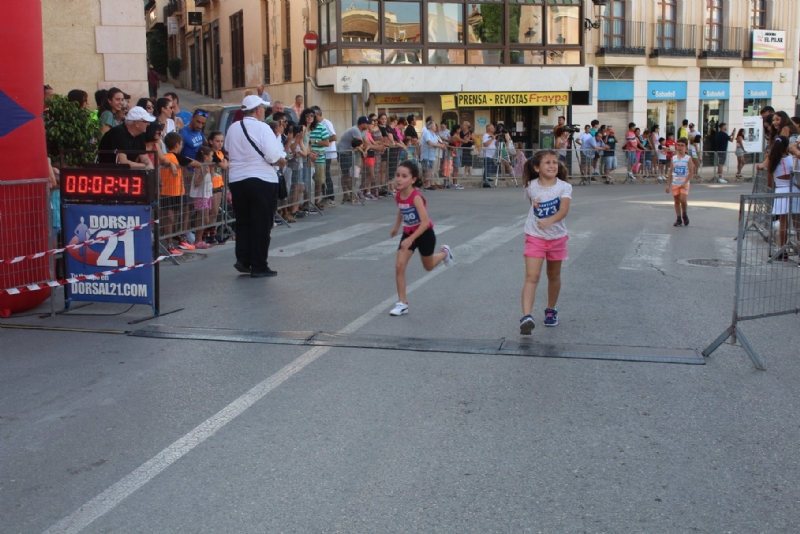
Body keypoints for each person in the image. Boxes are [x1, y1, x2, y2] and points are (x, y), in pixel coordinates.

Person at [225, 95, 285, 277]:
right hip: (261, 179)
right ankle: (259, 265)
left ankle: (243, 259)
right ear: (258, 110)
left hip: (237, 179)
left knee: (243, 222)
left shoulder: (233, 128)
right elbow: (272, 156)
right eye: (264, 109)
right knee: (261, 223)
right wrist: (282, 161)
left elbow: (228, 149)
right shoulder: (263, 128)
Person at [388, 161, 454, 316]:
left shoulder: (417, 197)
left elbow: (425, 223)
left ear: (413, 179)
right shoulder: (398, 195)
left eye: (404, 176)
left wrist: (411, 239)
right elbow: (401, 210)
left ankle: (445, 254)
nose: (399, 179)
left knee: (428, 266)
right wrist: (396, 227)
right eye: (398, 175)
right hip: (408, 233)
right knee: (399, 266)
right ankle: (402, 303)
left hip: (424, 234)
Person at [519, 149, 572, 335]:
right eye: (547, 163)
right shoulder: (530, 187)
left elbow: (564, 210)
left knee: (553, 275)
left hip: (557, 238)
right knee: (532, 277)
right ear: (537, 167)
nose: (552, 165)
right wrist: (539, 223)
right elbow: (532, 208)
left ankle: (551, 310)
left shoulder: (564, 187)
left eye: (554, 162)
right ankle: (526, 316)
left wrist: (549, 221)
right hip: (534, 237)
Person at [160, 131, 202, 253]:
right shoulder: (177, 157)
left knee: (171, 218)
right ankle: (171, 244)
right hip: (174, 192)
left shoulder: (165, 157)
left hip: (169, 191)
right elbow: (198, 164)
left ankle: (175, 241)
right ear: (178, 144)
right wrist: (186, 159)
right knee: (172, 219)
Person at [765, 136, 799, 261]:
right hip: (794, 191)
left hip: (780, 191)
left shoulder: (772, 161)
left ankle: (782, 251)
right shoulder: (793, 159)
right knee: (797, 223)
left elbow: (769, 183)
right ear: (786, 147)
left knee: (783, 223)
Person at [189, 147, 215, 249]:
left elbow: (211, 179)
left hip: (207, 194)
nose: (212, 157)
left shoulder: (208, 166)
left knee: (205, 218)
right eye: (211, 156)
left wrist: (210, 172)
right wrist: (204, 174)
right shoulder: (199, 167)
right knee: (202, 218)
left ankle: (199, 239)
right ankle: (198, 240)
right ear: (205, 157)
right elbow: (196, 181)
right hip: (201, 195)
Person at [307, 108, 331, 210]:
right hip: (307, 158)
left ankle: (316, 202)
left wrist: (315, 141)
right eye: (308, 116)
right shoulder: (305, 128)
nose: (310, 117)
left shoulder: (321, 127)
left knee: (319, 182)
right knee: (305, 182)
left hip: (319, 159)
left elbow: (326, 143)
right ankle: (305, 203)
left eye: (312, 116)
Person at [667, 138, 694, 227]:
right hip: (675, 182)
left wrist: (685, 182)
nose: (680, 147)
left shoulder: (688, 158)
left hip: (684, 183)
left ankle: (684, 214)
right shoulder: (674, 158)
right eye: (678, 145)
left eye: (682, 145)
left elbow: (691, 172)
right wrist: (668, 185)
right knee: (676, 201)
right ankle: (678, 218)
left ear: (686, 147)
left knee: (683, 199)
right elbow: (671, 171)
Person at [207, 131, 229, 243]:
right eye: (217, 141)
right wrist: (225, 163)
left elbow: (227, 164)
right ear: (211, 141)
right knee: (212, 211)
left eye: (222, 141)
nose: (220, 144)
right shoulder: (211, 153)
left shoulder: (221, 153)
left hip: (219, 184)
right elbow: (224, 165)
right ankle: (208, 235)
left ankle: (212, 234)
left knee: (215, 212)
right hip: (211, 185)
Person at [314, 106, 338, 205]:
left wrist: (321, 141)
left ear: (317, 114)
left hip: (327, 153)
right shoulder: (316, 125)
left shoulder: (326, 123)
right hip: (320, 153)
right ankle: (325, 195)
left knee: (326, 174)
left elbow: (334, 136)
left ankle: (330, 197)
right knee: (321, 176)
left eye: (313, 115)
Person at [422, 120, 447, 190]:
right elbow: (430, 143)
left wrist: (441, 145)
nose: (436, 126)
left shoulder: (434, 134)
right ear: (431, 127)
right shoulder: (427, 133)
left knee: (430, 169)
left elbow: (436, 142)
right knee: (427, 170)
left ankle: (428, 184)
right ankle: (427, 184)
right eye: (434, 125)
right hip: (426, 155)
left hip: (431, 155)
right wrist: (439, 145)